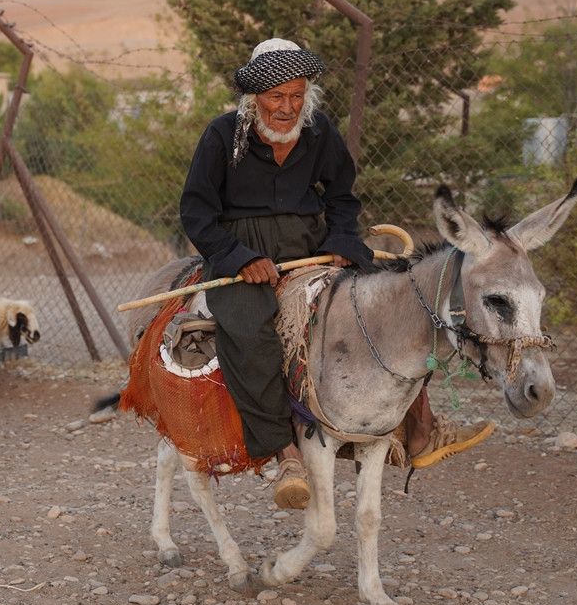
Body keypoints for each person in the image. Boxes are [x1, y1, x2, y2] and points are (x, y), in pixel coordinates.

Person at [179, 38, 494, 509]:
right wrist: (240, 257)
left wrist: (340, 243)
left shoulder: (319, 132)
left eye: (296, 95)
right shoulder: (223, 135)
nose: (286, 108)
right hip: (243, 254)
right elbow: (197, 212)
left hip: (313, 247)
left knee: (400, 302)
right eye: (275, 97)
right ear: (253, 98)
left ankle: (419, 427)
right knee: (250, 329)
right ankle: (284, 452)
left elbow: (342, 199)